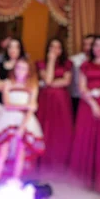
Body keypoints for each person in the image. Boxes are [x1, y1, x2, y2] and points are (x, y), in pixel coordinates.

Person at [0, 58, 44, 185]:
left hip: (25, 120)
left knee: (21, 151)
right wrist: (26, 106)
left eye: (24, 68)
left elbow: (32, 109)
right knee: (3, 150)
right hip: (8, 119)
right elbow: (8, 105)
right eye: (18, 68)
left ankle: (14, 183)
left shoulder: (32, 85)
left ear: (28, 71)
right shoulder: (8, 83)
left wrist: (23, 127)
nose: (20, 71)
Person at [69, 35, 100, 192]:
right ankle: (84, 179)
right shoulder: (85, 64)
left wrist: (98, 93)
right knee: (86, 139)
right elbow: (81, 87)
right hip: (87, 105)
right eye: (96, 45)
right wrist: (93, 103)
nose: (98, 48)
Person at [36, 38, 73, 171]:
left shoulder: (67, 63)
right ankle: (43, 160)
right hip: (45, 100)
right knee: (45, 126)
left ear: (62, 50)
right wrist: (51, 61)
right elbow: (48, 79)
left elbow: (66, 81)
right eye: (52, 46)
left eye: (58, 47)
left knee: (60, 128)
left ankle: (59, 160)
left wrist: (51, 83)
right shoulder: (41, 63)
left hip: (61, 100)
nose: (55, 50)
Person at [70, 34, 95, 115]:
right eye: (85, 44)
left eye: (90, 44)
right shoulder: (74, 60)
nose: (87, 47)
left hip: (97, 96)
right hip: (77, 97)